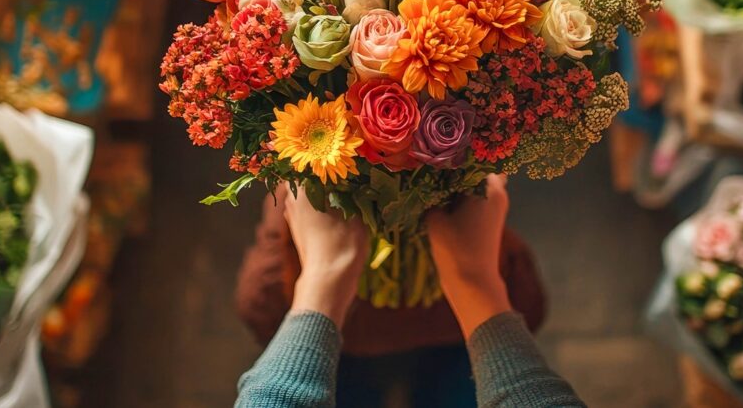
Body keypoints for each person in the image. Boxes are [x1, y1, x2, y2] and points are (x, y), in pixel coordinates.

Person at [236, 174, 587, 408]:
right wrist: (476, 281)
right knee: (456, 380)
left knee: (346, 383)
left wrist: (322, 278)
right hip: (456, 332)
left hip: (348, 336)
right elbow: (531, 313)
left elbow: (259, 312)